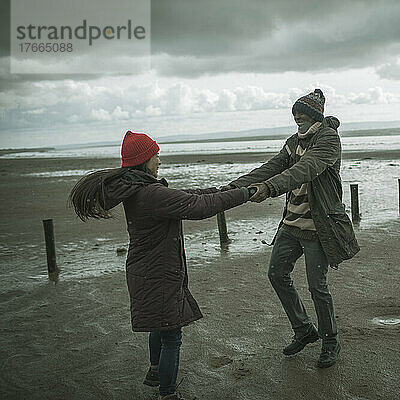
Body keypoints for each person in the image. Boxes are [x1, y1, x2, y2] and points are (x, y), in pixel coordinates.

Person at [69, 130, 254, 399]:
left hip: (146, 270)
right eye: (156, 156)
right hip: (158, 274)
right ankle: (167, 393)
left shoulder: (137, 188)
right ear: (144, 160)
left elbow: (190, 195)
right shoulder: (150, 194)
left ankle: (155, 371)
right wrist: (245, 194)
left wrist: (223, 190)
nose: (159, 160)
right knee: (171, 336)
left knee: (160, 325)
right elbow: (198, 207)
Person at [223, 89, 360, 368]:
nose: (297, 118)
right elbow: (272, 167)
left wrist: (270, 188)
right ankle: (303, 329)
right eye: (295, 115)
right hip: (291, 224)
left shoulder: (328, 141)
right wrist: (234, 186)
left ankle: (330, 340)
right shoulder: (292, 142)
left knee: (317, 287)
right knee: (276, 274)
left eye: (302, 115)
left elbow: (305, 169)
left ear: (315, 116)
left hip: (318, 227)